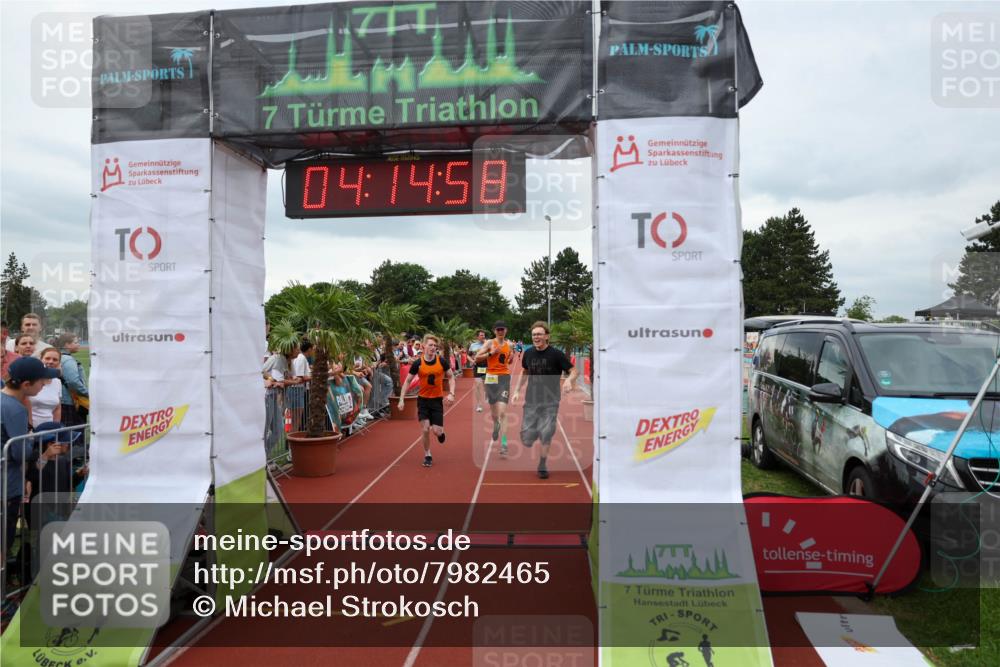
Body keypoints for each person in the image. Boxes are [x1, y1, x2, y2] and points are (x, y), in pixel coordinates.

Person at [3, 358, 59, 575]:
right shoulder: (15, 409)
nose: (44, 384)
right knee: (3, 542)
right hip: (7, 486)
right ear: (26, 384)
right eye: (41, 381)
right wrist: (30, 439)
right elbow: (19, 452)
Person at [511, 321, 577, 479]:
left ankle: (542, 464)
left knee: (546, 433)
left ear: (547, 336)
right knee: (527, 439)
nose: (536, 337)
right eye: (534, 334)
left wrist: (569, 380)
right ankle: (532, 434)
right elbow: (525, 372)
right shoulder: (528, 353)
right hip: (531, 400)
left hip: (550, 401)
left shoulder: (556, 354)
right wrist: (516, 391)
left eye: (539, 334)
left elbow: (574, 370)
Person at [398, 334, 455, 468]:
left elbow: (451, 377)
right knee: (425, 429)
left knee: (437, 431)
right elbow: (407, 381)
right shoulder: (418, 363)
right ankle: (427, 454)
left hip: (436, 401)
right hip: (423, 401)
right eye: (430, 345)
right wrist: (401, 399)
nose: (433, 347)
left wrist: (452, 393)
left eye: (435, 345)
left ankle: (440, 433)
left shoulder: (441, 361)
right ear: (423, 347)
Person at [475, 321, 514, 456]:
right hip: (491, 378)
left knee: (502, 412)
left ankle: (504, 443)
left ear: (506, 330)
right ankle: (495, 424)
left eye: (502, 329)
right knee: (494, 414)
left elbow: (508, 361)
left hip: (504, 378)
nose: (500, 331)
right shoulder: (490, 343)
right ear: (494, 331)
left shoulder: (509, 345)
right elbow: (477, 358)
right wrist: (491, 353)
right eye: (498, 329)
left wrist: (511, 359)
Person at [56, 334, 88, 426]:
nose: (79, 345)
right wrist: (86, 393)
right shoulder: (68, 360)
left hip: (62, 401)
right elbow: (73, 382)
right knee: (75, 433)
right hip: (70, 402)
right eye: (76, 342)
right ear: (67, 345)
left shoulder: (59, 357)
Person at [29, 347, 63, 425]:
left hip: (49, 430)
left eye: (55, 359)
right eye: (47, 358)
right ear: (41, 360)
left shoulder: (57, 382)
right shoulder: (31, 379)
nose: (51, 362)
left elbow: (57, 408)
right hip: (30, 431)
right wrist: (29, 428)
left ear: (59, 362)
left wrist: (55, 428)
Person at [467, 329, 488, 412]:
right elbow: (468, 356)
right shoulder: (473, 345)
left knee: (487, 385)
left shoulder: (488, 344)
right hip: (477, 367)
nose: (483, 336)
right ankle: (479, 404)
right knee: (478, 384)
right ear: (477, 337)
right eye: (481, 335)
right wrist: (472, 361)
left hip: (487, 367)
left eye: (484, 335)